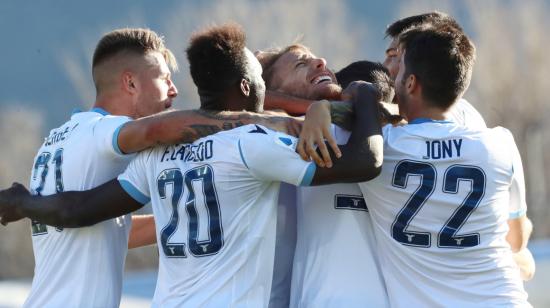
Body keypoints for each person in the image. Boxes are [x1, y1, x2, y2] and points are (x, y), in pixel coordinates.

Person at [0, 23, 383, 307]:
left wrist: (22, 204)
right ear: (249, 87)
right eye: (164, 79)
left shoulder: (139, 155)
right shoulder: (250, 143)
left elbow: (84, 212)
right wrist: (360, 98)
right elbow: (363, 162)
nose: (173, 91)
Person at [301, 22, 531, 307]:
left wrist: (323, 107)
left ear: (411, 84)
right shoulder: (500, 144)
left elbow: (357, 122)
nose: (393, 81)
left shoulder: (385, 146)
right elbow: (515, 241)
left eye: (398, 72)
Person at [258, 45, 392, 308]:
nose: (320, 62)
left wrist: (322, 107)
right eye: (300, 64)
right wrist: (313, 108)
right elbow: (254, 102)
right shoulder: (265, 140)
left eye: (317, 59)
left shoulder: (384, 131)